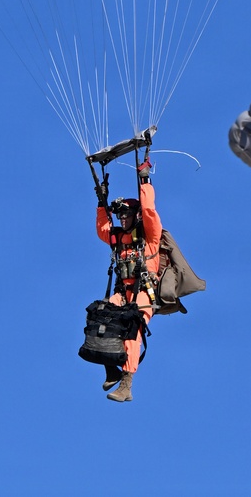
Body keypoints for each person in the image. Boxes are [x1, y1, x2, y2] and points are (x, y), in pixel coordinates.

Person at [94, 157, 162, 403]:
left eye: (126, 214)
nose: (122, 218)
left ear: (135, 215)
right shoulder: (118, 239)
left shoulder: (149, 237)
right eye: (120, 215)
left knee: (132, 330)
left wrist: (145, 181)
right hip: (123, 293)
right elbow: (103, 230)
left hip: (144, 293)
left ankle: (126, 384)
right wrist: (101, 202)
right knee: (101, 317)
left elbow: (149, 211)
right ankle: (111, 367)